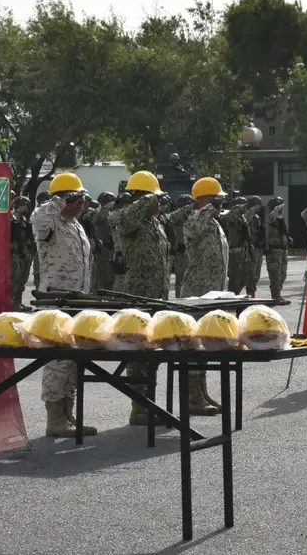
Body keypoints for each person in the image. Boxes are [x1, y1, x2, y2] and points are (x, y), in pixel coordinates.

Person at [32, 172, 98, 438]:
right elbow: (38, 218)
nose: (83, 204)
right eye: (78, 198)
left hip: (76, 300)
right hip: (56, 300)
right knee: (58, 359)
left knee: (72, 359)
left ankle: (67, 413)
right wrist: (59, 201)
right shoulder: (49, 220)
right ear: (63, 199)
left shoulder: (75, 225)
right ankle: (54, 418)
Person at [115, 170, 170, 426]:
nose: (158, 204)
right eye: (154, 199)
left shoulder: (154, 223)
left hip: (157, 295)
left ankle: (149, 403)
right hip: (139, 293)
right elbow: (125, 221)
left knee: (152, 350)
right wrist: (146, 199)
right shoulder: (128, 219)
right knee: (138, 351)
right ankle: (139, 407)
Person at [180, 177, 230, 414]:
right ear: (202, 200)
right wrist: (210, 208)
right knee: (193, 345)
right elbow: (192, 229)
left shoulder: (214, 224)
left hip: (214, 294)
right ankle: (193, 398)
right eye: (214, 199)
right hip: (197, 293)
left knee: (205, 346)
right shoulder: (193, 220)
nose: (218, 204)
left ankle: (202, 392)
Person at [264, 197, 292, 305]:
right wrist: (276, 208)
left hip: (282, 249)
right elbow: (271, 220)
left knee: (282, 274)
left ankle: (278, 295)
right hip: (274, 250)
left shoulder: (279, 217)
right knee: (275, 274)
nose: (282, 208)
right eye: (281, 206)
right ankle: (275, 297)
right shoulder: (271, 216)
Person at [9, 196, 34, 311]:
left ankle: (18, 302)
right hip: (17, 253)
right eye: (25, 205)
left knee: (22, 280)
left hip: (25, 253)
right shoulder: (14, 218)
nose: (26, 208)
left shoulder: (24, 220)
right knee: (16, 280)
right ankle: (13, 303)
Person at [92, 191, 117, 292]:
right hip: (106, 249)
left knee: (104, 276)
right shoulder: (104, 213)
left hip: (103, 249)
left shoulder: (99, 213)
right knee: (106, 277)